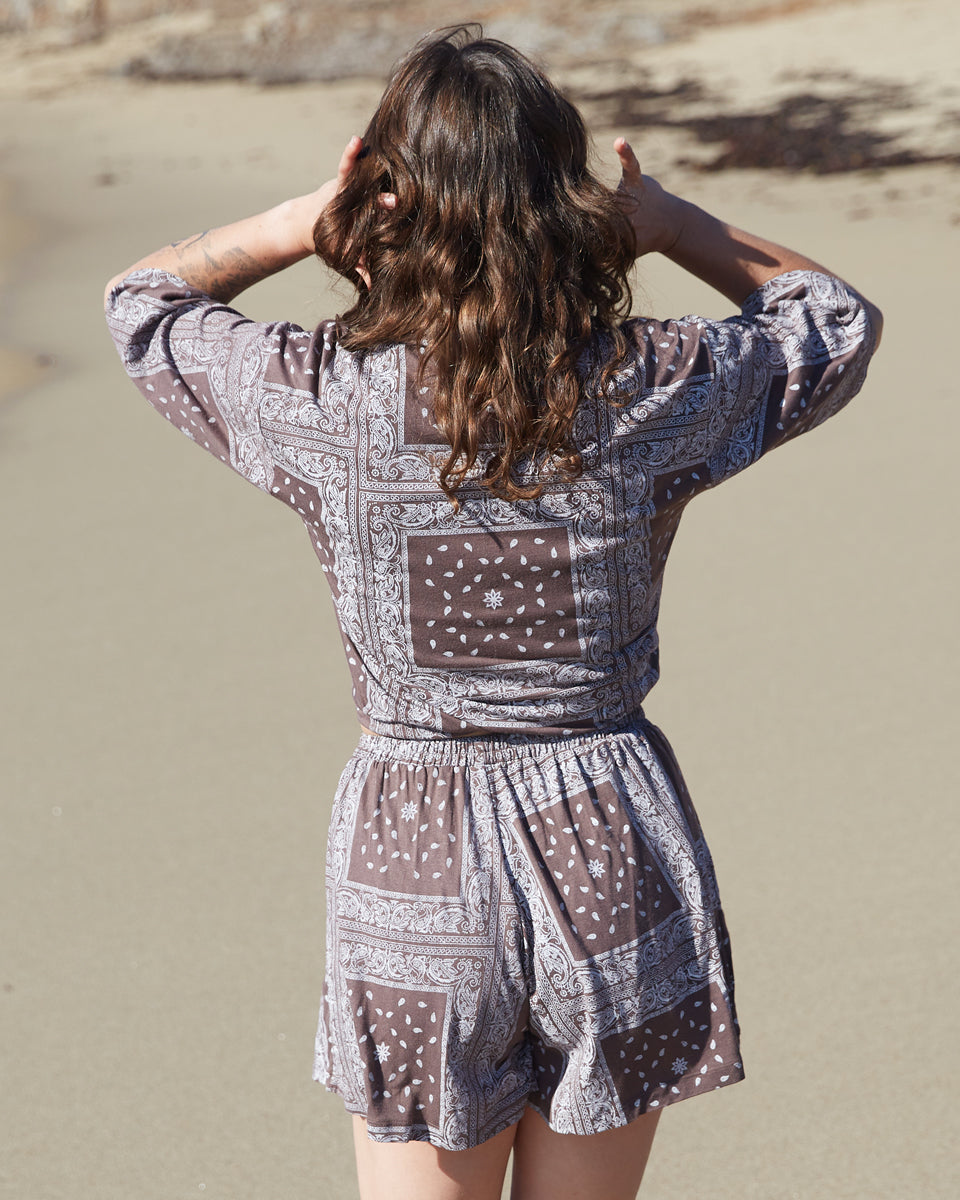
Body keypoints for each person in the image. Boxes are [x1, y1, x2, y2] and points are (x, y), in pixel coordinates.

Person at [103, 26, 881, 1200]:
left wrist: (299, 221)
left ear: (385, 193)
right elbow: (832, 322)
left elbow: (144, 307)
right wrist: (673, 224)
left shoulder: (327, 398)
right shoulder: (649, 386)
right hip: (606, 823)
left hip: (414, 843)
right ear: (568, 201)